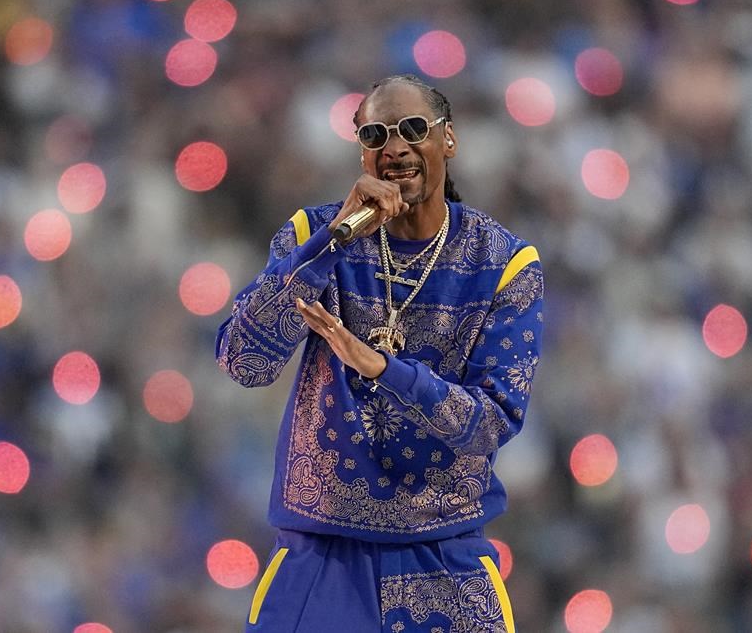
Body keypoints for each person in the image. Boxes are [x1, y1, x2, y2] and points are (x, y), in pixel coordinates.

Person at [216, 74, 543, 632]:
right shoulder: (313, 235)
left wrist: (387, 371)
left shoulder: (504, 264)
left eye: (413, 129)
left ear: (449, 141)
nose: (395, 148)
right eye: (375, 135)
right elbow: (244, 361)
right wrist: (331, 243)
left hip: (443, 558)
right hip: (321, 558)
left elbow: (492, 421)